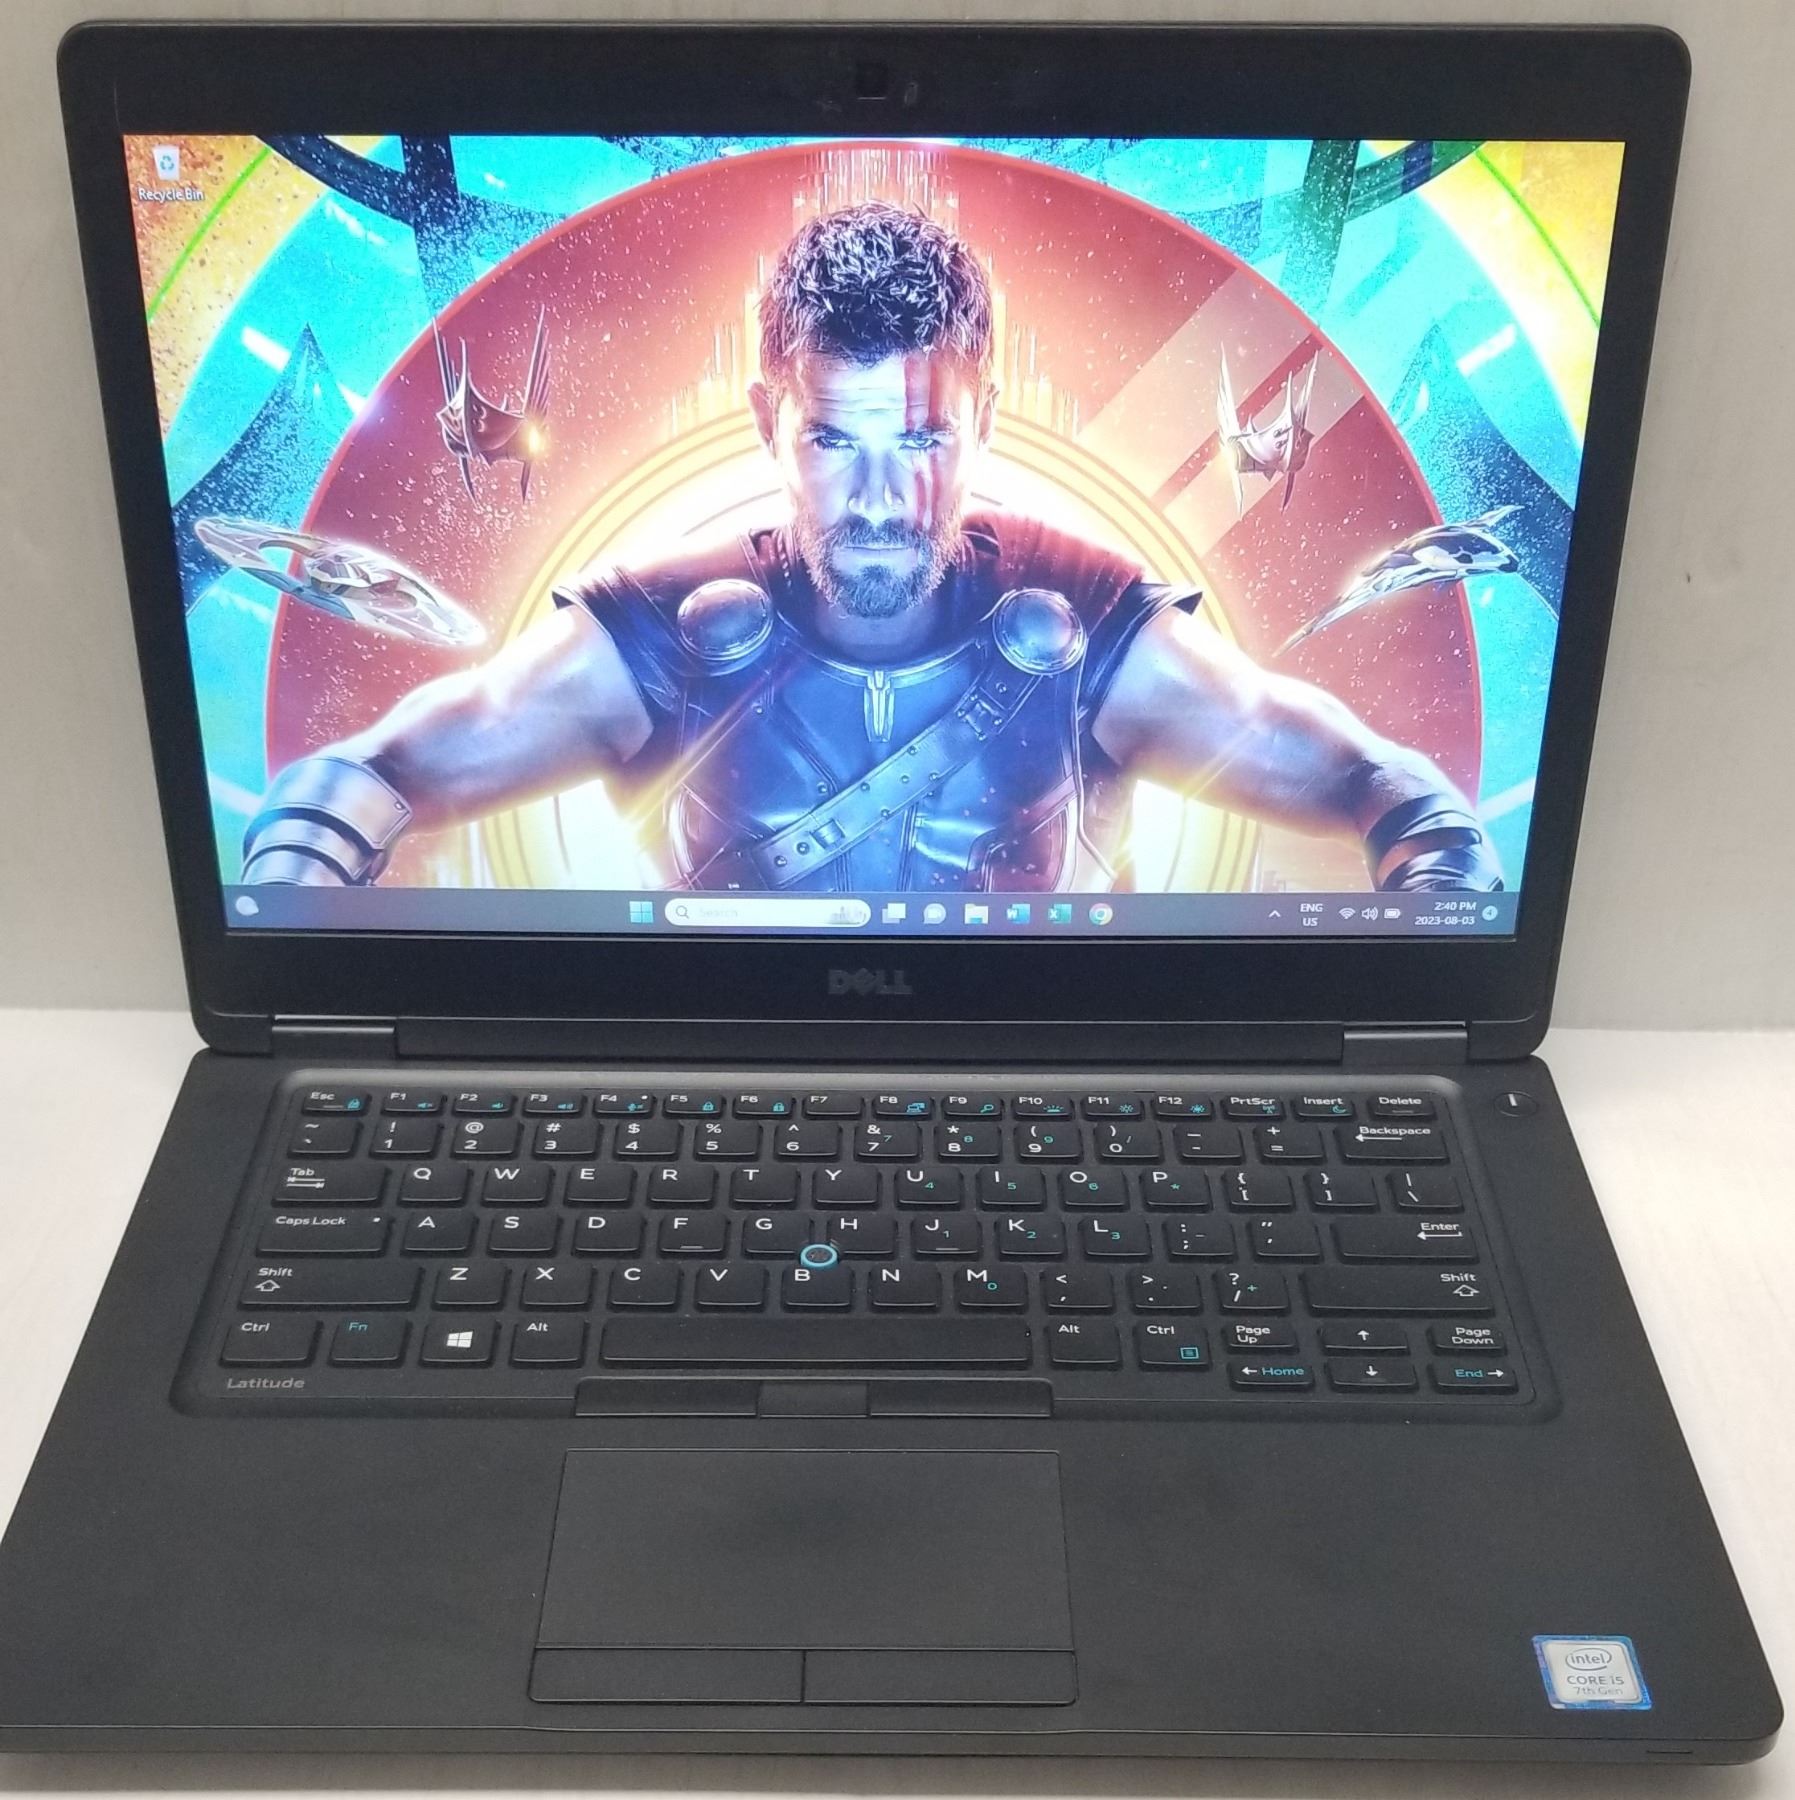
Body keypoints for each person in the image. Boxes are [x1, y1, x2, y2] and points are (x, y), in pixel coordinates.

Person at [242, 201, 1500, 897]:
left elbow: (1386, 788)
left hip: (1036, 1100)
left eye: (923, 439)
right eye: (837, 443)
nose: (885, 497)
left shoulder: (1094, 627)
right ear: (767, 426)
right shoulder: (657, 634)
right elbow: (360, 775)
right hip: (721, 1107)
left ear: (985, 423)